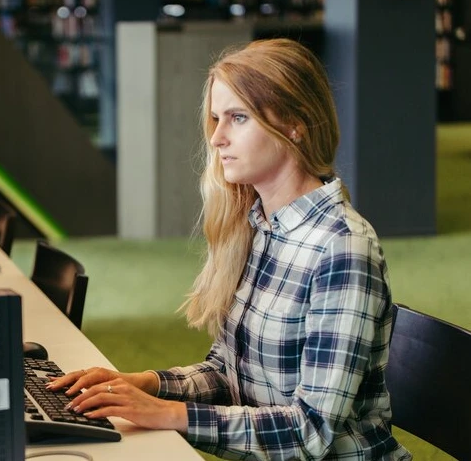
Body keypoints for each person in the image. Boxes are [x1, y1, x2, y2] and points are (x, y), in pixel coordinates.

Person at [46, 38, 412, 460]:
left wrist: (167, 414)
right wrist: (142, 383)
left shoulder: (342, 249)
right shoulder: (261, 227)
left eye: (238, 118)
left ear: (296, 123)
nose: (217, 138)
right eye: (217, 118)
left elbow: (309, 432)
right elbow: (227, 373)